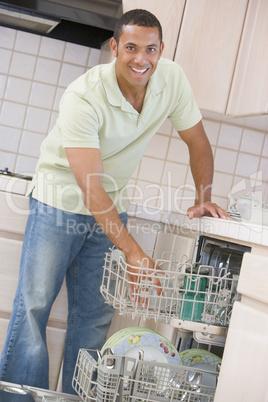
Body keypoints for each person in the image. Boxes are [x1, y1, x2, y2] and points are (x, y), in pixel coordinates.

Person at [0, 9, 230, 394]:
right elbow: (90, 187)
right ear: (114, 48)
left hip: (110, 206)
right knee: (35, 305)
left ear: (161, 50)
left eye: (150, 49)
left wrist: (203, 197)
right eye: (131, 48)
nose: (142, 59)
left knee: (93, 317)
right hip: (60, 200)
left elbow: (198, 141)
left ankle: (79, 396)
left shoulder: (171, 79)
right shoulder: (84, 95)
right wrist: (135, 253)